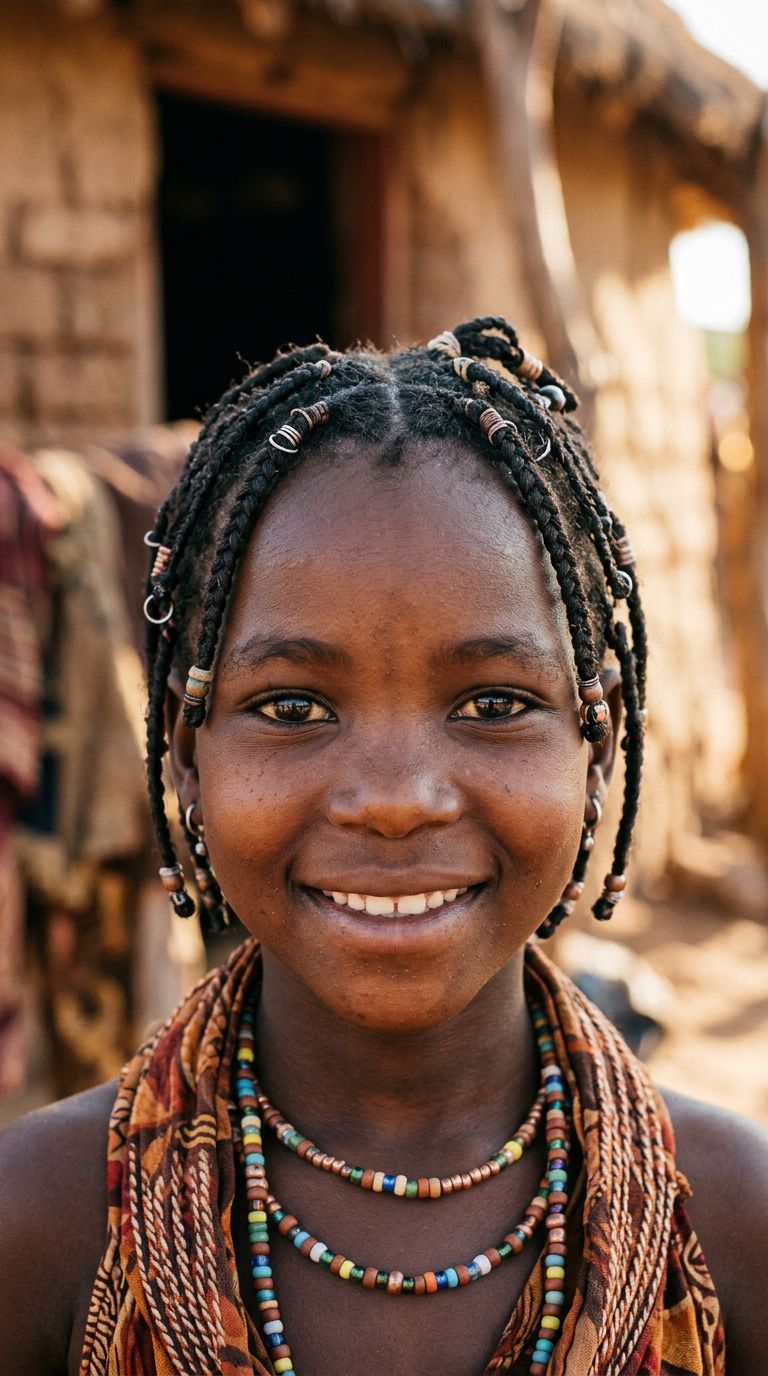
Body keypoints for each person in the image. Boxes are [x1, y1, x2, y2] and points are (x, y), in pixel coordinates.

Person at [1, 318, 766, 1376]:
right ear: (186, 757)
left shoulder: (736, 1226)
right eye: (295, 704)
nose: (398, 801)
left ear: (597, 748)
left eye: (494, 701)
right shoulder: (43, 1225)